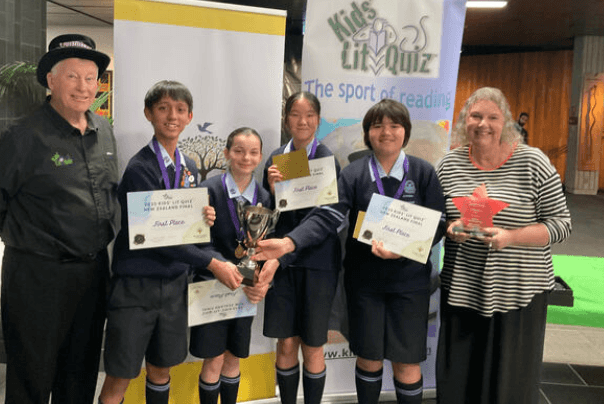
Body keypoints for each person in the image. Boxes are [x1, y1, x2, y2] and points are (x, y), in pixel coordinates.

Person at [255, 98, 446, 404]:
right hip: (364, 283)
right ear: (368, 132)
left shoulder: (422, 172)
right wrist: (288, 242)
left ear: (405, 131)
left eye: (394, 125)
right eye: (377, 125)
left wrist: (404, 250)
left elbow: (439, 221)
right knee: (368, 357)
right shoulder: (354, 173)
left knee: (406, 361)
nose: (386, 132)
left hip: (409, 283)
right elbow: (329, 214)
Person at [0, 34, 119, 404]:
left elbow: (109, 192)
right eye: (72, 76)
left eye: (90, 78)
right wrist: (31, 237)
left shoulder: (105, 132)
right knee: (32, 375)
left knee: (81, 371)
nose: (83, 87)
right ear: (51, 80)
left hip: (91, 272)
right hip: (37, 276)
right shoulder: (24, 137)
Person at [98, 80, 237, 404]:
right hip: (136, 287)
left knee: (162, 369)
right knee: (121, 373)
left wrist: (203, 219)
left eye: (179, 109)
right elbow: (155, 235)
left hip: (175, 285)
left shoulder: (188, 167)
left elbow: (184, 226)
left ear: (190, 117)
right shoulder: (140, 168)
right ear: (148, 114)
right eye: (163, 108)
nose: (171, 116)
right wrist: (212, 262)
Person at [435, 87, 571, 404]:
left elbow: (561, 224)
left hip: (519, 290)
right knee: (459, 379)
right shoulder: (448, 165)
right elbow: (435, 220)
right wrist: (450, 227)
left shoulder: (533, 162)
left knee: (511, 382)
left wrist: (511, 237)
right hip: (463, 290)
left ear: (505, 123)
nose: (483, 124)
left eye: (492, 117)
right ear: (463, 121)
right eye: (476, 116)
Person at [259, 92, 342, 404]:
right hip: (283, 265)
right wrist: (270, 190)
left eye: (309, 115)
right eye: (295, 114)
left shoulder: (327, 160)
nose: (302, 121)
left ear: (318, 120)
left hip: (318, 264)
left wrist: (290, 244)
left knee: (313, 344)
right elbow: (268, 214)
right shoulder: (276, 160)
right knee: (286, 342)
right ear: (286, 119)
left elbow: (329, 215)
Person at [191, 127, 274, 404]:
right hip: (211, 283)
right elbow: (197, 242)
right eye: (238, 151)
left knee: (234, 356)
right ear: (226, 154)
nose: (246, 158)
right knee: (213, 358)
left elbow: (262, 245)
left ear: (261, 156)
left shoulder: (264, 196)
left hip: (244, 287)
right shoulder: (208, 190)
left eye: (253, 152)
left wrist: (257, 276)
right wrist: (224, 266)